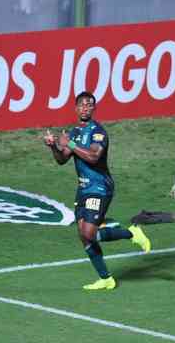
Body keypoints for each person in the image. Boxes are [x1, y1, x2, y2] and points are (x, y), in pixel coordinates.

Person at [43, 91, 151, 291]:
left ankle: (131, 233)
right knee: (84, 236)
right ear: (76, 108)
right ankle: (106, 279)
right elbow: (61, 160)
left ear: (93, 109)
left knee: (89, 232)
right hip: (83, 189)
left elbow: (93, 156)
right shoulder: (74, 132)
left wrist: (71, 144)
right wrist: (53, 147)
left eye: (89, 105)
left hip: (100, 187)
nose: (85, 108)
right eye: (82, 105)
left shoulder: (98, 132)